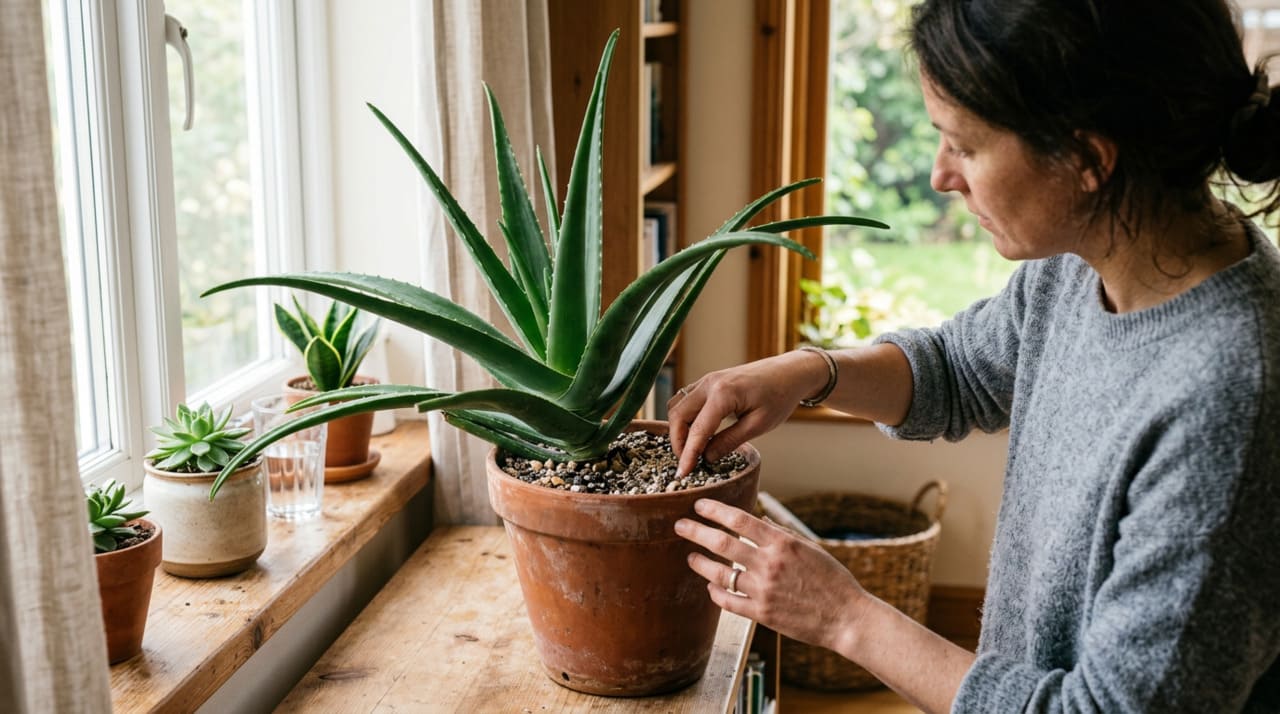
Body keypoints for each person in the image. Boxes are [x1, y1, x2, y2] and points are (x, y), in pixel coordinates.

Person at [668, 1, 1280, 711]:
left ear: (1087, 159)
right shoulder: (1089, 259)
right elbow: (958, 372)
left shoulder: (1231, 393)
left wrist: (844, 617)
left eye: (964, 144)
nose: (940, 176)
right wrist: (810, 371)